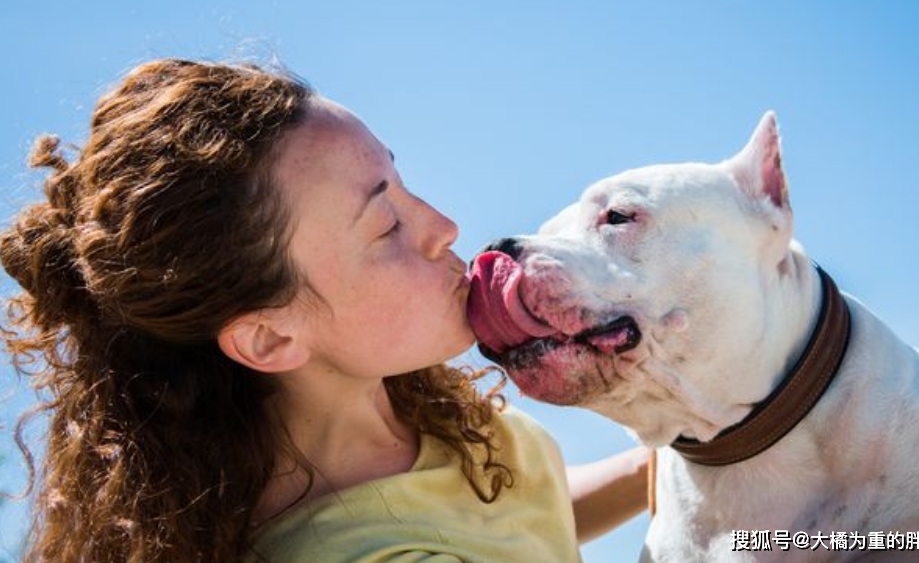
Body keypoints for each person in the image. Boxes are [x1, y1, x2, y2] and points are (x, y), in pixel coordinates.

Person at [1, 59, 649, 563]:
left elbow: (522, 517)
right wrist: (749, 539)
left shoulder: (396, 402)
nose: (444, 227)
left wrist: (674, 462)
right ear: (268, 337)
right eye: (385, 225)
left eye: (400, 181)